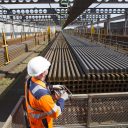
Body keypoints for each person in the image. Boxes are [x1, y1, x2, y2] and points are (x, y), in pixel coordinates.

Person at [25, 56, 68, 128]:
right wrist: (62, 98)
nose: (48, 68)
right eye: (46, 68)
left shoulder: (29, 80)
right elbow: (55, 113)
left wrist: (51, 87)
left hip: (33, 120)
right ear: (43, 73)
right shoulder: (43, 95)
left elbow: (38, 87)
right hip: (42, 124)